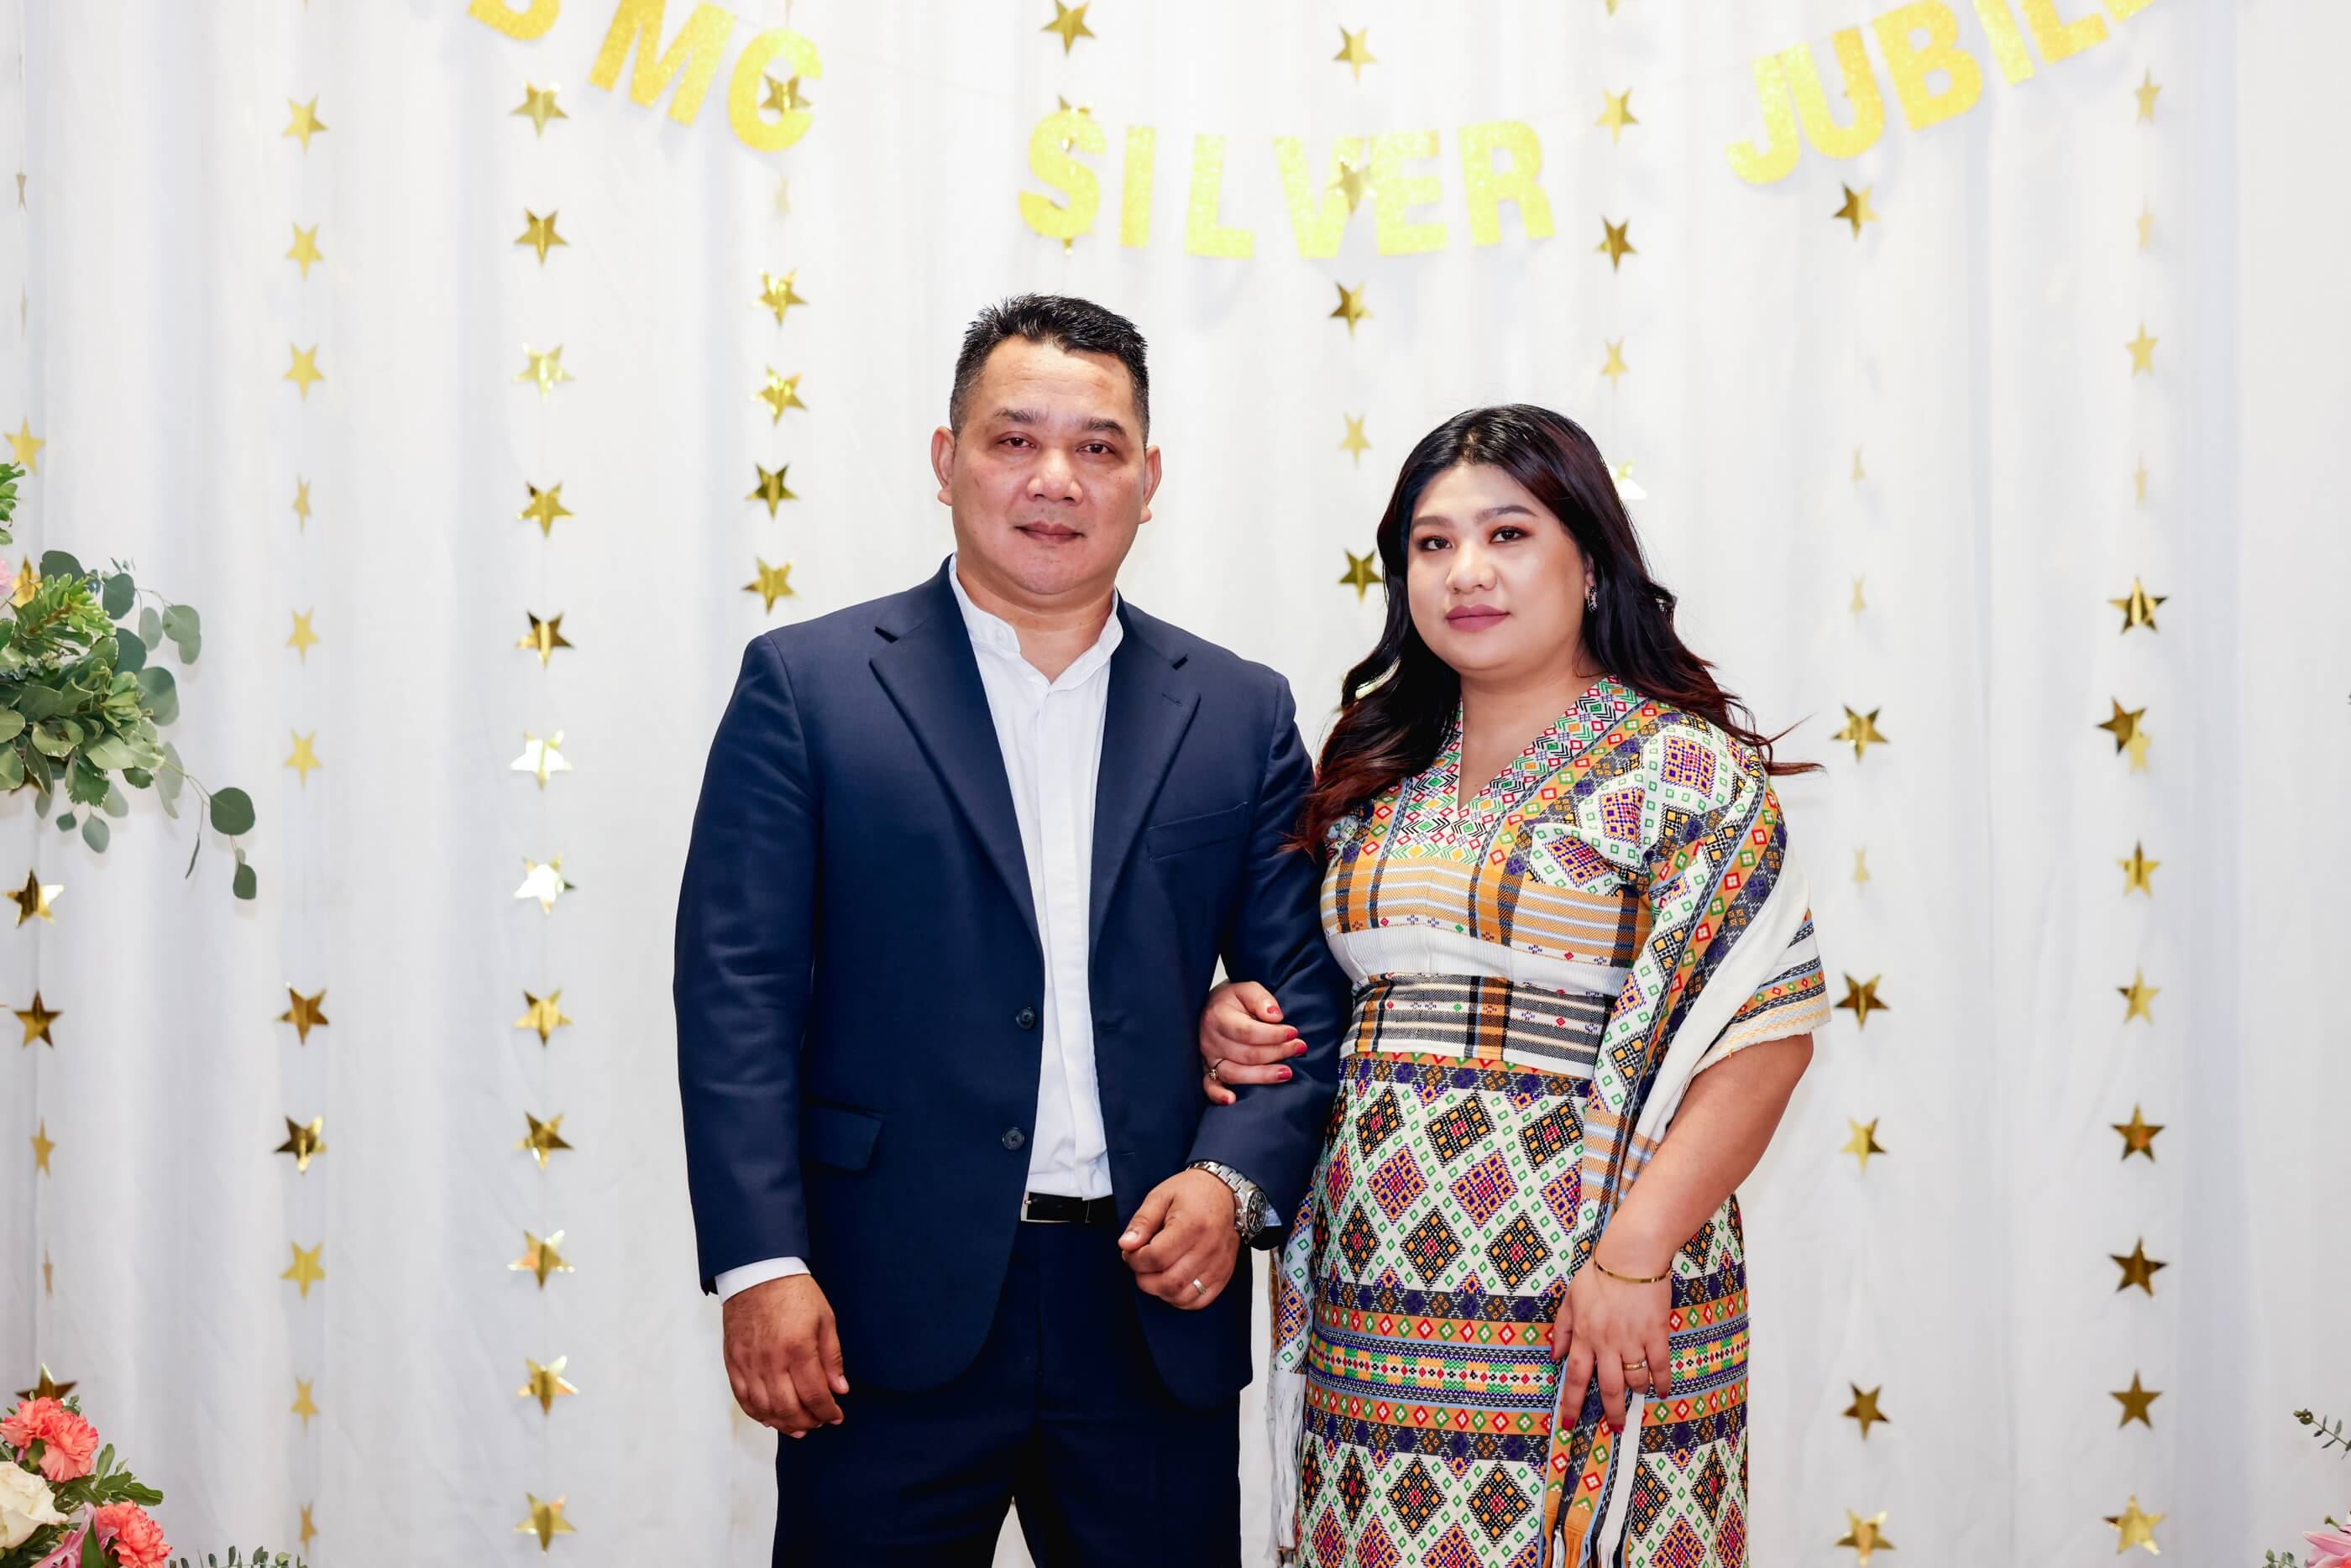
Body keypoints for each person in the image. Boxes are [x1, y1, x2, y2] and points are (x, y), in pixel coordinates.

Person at [673, 294, 1352, 1565]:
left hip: (1153, 1299)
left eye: (1098, 447)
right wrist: (760, 1264)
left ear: (1149, 480)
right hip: (878, 1303)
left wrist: (1232, 1179)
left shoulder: (1239, 709)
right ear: (947, 460)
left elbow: (1304, 989)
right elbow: (736, 993)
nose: (1056, 479)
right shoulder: (809, 687)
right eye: (1014, 439)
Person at [1198, 405, 1828, 1568]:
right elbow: (1329, 999)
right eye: (1432, 544)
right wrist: (1230, 1016)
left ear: (1589, 561)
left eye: (1508, 534)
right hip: (1373, 1302)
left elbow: (1762, 1037)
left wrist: (1635, 1256)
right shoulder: (1378, 772)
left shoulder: (1680, 767)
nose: (1467, 572)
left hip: (1593, 1291)